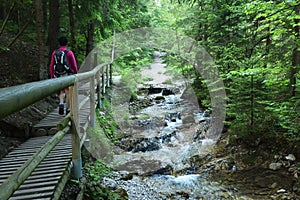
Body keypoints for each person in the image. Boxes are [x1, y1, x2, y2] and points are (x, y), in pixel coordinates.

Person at [49, 36, 78, 115]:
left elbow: (51, 64)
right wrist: (76, 73)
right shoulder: (69, 53)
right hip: (67, 74)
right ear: (66, 43)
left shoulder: (55, 52)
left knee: (61, 91)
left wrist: (52, 75)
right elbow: (74, 65)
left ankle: (61, 103)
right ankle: (68, 108)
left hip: (58, 74)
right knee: (68, 91)